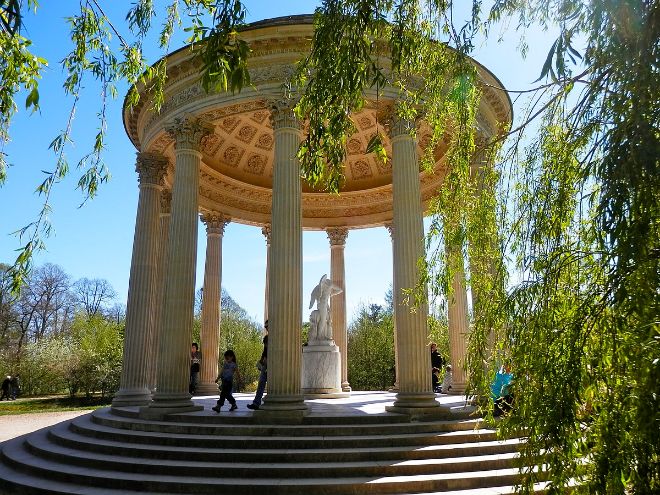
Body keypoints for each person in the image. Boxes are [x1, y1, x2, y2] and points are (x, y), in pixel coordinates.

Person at [247, 320, 268, 410]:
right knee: (261, 384)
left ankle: (270, 402)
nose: (267, 328)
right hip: (265, 365)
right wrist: (261, 361)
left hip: (274, 365)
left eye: (268, 326)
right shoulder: (266, 338)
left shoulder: (277, 337)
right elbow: (264, 352)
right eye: (265, 326)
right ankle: (256, 403)